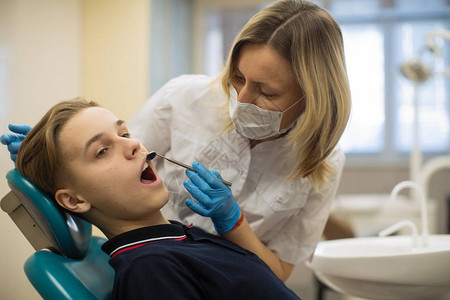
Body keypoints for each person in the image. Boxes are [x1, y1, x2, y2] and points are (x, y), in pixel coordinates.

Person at [1, 0, 351, 281]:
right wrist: (55, 161)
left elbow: (278, 275)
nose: (242, 99)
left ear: (312, 96)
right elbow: (100, 188)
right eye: (238, 77)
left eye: (267, 92)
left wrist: (234, 223)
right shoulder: (183, 98)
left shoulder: (324, 162)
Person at [10, 98, 300, 300]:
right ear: (74, 201)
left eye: (124, 133)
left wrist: (232, 220)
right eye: (102, 151)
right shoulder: (150, 269)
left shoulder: (176, 238)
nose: (134, 144)